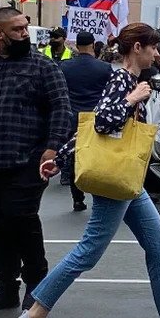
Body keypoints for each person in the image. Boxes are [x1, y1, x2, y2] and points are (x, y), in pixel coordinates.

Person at [16, 22, 160, 318]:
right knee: (88, 252)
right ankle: (36, 314)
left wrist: (63, 157)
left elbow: (93, 125)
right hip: (116, 180)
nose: (156, 52)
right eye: (152, 47)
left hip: (129, 178)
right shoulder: (123, 79)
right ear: (137, 48)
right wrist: (132, 98)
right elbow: (103, 121)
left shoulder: (126, 78)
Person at [0, 7, 72, 311]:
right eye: (18, 29)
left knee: (22, 220)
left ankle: (37, 286)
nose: (25, 34)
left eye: (26, 27)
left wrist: (51, 148)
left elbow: (61, 108)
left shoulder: (43, 66)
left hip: (27, 162)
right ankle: (5, 288)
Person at [58, 31, 113, 212]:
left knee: (76, 158)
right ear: (92, 44)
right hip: (96, 119)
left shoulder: (65, 67)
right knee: (101, 159)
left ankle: (77, 198)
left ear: (77, 45)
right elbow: (110, 94)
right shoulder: (104, 68)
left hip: (73, 118)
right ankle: (101, 198)